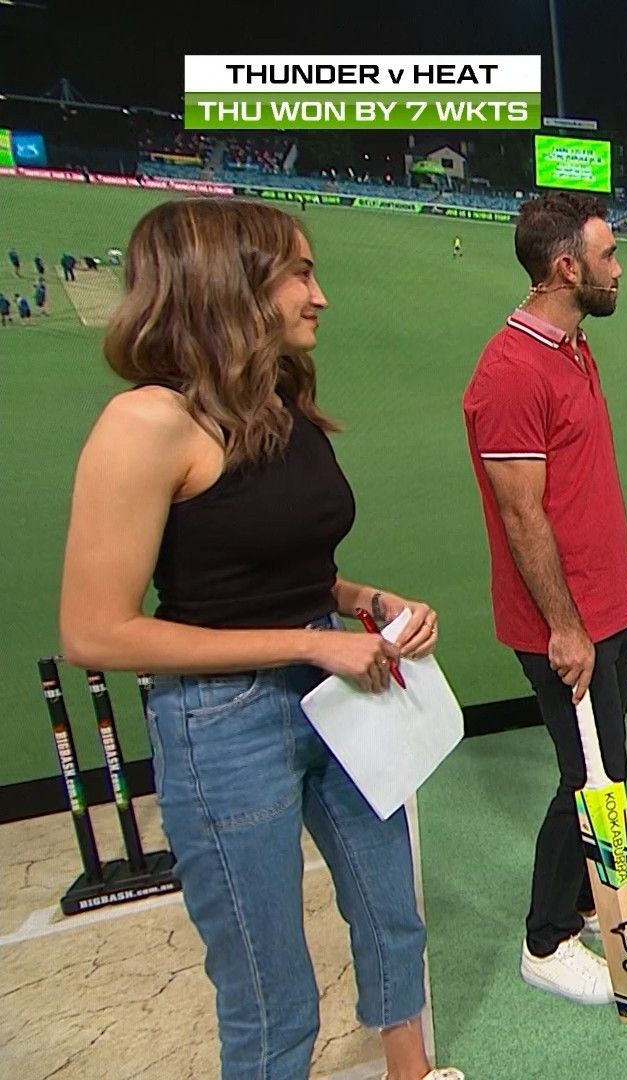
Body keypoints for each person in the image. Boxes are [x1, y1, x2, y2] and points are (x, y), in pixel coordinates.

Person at [57, 199, 460, 1080]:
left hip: (337, 688)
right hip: (225, 720)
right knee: (270, 990)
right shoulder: (146, 423)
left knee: (392, 915)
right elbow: (95, 631)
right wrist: (309, 646)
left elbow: (284, 568)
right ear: (227, 286)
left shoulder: (279, 400)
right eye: (300, 274)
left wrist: (365, 600)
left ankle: (414, 1072)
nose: (321, 296)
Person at [461, 191, 627, 1007]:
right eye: (608, 256)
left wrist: (621, 570)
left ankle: (596, 905)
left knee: (608, 770)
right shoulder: (510, 373)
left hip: (604, 603)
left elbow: (583, 487)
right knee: (586, 777)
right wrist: (564, 625)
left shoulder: (574, 347)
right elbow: (522, 514)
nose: (619, 269)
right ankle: (546, 941)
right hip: (564, 625)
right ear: (565, 267)